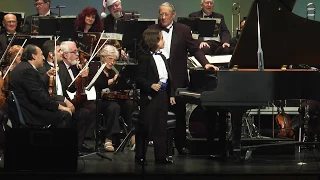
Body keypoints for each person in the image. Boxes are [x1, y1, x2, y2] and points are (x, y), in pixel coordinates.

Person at [149, 2, 219, 155]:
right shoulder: (152, 30)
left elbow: (194, 49)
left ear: (173, 15)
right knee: (160, 112)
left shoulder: (183, 30)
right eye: (161, 14)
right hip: (157, 78)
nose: (163, 17)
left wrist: (206, 64)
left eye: (166, 14)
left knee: (179, 113)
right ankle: (161, 146)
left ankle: (180, 145)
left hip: (177, 78)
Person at [135, 28, 175, 165]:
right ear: (154, 41)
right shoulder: (144, 58)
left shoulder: (163, 57)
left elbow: (169, 77)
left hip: (163, 95)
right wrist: (150, 85)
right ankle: (140, 156)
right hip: (150, 97)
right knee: (146, 126)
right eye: (161, 38)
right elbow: (139, 78)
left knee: (161, 127)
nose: (164, 41)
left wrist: (171, 94)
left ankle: (161, 156)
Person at [9, 44, 72, 128]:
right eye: (41, 54)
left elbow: (35, 88)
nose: (43, 58)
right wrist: (60, 107)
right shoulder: (27, 70)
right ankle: (56, 140)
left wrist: (47, 75)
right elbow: (39, 97)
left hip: (27, 108)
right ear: (34, 56)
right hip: (31, 114)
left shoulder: (23, 67)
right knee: (65, 114)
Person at [88, 44, 135, 152]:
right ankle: (108, 139)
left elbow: (117, 87)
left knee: (131, 104)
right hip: (98, 99)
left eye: (114, 60)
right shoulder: (94, 66)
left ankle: (133, 137)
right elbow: (96, 83)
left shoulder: (112, 70)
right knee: (114, 107)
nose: (112, 62)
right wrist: (112, 81)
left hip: (112, 98)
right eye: (110, 59)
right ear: (103, 57)